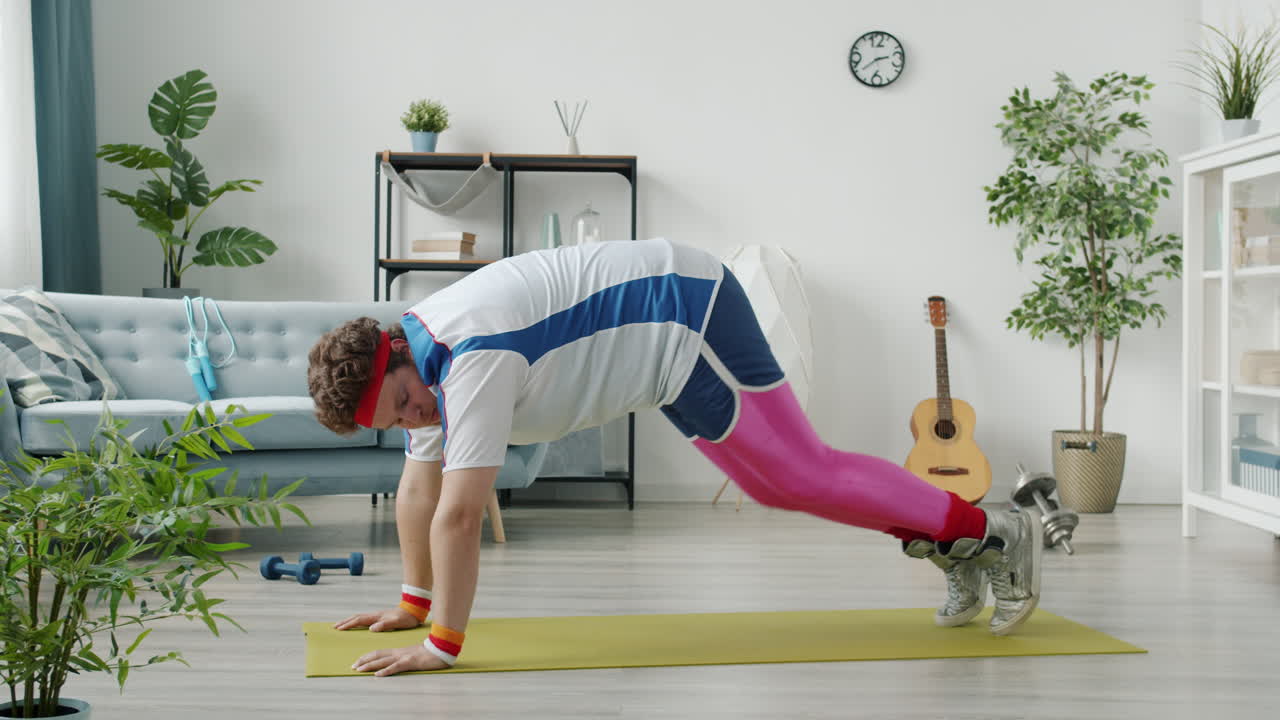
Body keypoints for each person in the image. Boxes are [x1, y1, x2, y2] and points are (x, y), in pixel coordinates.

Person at [306, 237, 1041, 677]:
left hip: (689, 308)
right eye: (396, 420)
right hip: (663, 360)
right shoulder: (422, 368)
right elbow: (417, 491)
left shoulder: (469, 357)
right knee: (781, 489)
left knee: (803, 470)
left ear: (395, 352)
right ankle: (962, 539)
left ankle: (992, 534)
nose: (414, 419)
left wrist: (443, 644)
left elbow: (460, 516)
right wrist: (411, 603)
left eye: (404, 403)